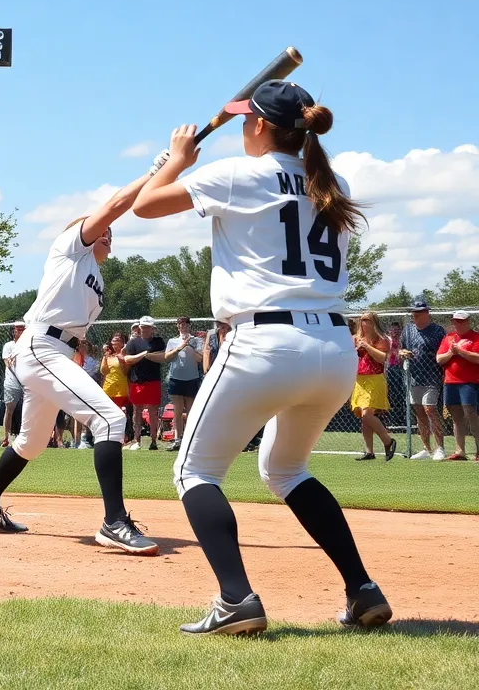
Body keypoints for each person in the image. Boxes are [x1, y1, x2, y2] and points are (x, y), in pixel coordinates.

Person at [133, 81, 392, 635]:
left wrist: (174, 163)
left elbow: (145, 206)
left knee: (194, 469)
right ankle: (363, 590)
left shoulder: (237, 174)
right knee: (286, 469)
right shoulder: (331, 180)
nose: (243, 127)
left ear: (257, 125)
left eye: (246, 120)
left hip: (265, 341)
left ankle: (236, 600)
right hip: (333, 347)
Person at [0, 161, 163, 557]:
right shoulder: (72, 247)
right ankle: (114, 521)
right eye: (103, 229)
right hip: (40, 345)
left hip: (55, 350)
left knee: (32, 442)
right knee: (110, 419)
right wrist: (156, 171)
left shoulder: (97, 277)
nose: (109, 235)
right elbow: (118, 202)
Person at [399, 299, 447, 460]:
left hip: (432, 376)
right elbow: (401, 348)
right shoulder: (408, 329)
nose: (415, 315)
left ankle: (440, 447)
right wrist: (403, 353)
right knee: (419, 413)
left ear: (427, 313)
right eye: (414, 312)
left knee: (430, 409)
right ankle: (426, 449)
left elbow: (444, 351)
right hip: (413, 377)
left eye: (419, 312)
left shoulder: (437, 330)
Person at [352, 311, 396, 461]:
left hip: (375, 379)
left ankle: (388, 441)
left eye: (368, 320)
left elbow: (383, 358)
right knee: (364, 417)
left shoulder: (382, 339)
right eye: (362, 320)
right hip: (360, 380)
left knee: (367, 414)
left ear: (374, 323)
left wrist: (367, 346)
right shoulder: (355, 339)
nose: (364, 323)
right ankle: (369, 452)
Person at [437, 310, 479, 461]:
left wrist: (460, 351)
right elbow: (439, 359)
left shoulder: (476, 337)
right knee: (456, 417)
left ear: (468, 322)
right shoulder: (448, 338)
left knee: (472, 415)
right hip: (451, 382)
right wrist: (451, 353)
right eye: (455, 321)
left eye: (461, 321)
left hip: (469, 383)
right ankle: (460, 451)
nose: (458, 324)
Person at [121, 316, 167, 450]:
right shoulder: (133, 343)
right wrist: (143, 354)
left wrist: (149, 355)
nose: (145, 329)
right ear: (139, 327)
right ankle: (137, 440)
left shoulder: (158, 342)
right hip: (137, 381)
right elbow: (128, 359)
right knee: (137, 410)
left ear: (153, 329)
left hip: (153, 380)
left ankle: (153, 441)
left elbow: (162, 357)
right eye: (143, 326)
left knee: (153, 411)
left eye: (148, 327)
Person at [160, 317, 203, 452]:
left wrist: (189, 346)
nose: (183, 326)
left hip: (191, 379)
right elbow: (167, 358)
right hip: (176, 379)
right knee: (177, 411)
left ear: (189, 326)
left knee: (191, 412)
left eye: (185, 324)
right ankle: (178, 439)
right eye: (180, 324)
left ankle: (191, 439)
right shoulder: (173, 341)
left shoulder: (197, 341)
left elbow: (200, 359)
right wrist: (179, 348)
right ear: (177, 326)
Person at [0, 321, 26, 446]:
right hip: (12, 382)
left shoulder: (28, 345)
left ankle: (25, 436)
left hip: (27, 382)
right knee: (9, 409)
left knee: (28, 410)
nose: (20, 332)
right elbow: (8, 363)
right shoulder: (8, 345)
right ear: (13, 331)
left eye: (22, 329)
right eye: (18, 329)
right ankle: (6, 437)